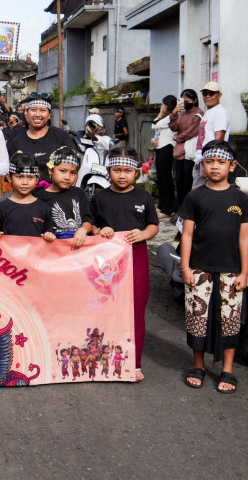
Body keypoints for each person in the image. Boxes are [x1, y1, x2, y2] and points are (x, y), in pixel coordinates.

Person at [178, 140, 248, 394]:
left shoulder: (240, 198)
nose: (214, 166)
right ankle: (198, 365)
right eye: (209, 161)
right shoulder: (194, 196)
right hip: (199, 269)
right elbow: (187, 234)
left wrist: (244, 272)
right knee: (197, 319)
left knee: (230, 321)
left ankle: (227, 369)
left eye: (221, 162)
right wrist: (185, 268)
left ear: (231, 166)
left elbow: (244, 238)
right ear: (202, 165)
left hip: (231, 270)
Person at [89, 147, 159, 383]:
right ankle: (101, 358)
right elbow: (91, 225)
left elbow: (153, 225)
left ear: (136, 172)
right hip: (106, 260)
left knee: (135, 308)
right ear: (108, 170)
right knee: (105, 305)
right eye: (116, 170)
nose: (122, 175)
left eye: (127, 171)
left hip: (136, 255)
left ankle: (133, 362)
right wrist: (100, 230)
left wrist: (144, 234)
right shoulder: (99, 198)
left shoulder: (143, 198)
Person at [6, 93, 79, 185]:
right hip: (26, 192)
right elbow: (10, 171)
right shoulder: (17, 141)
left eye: (43, 110)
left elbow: (74, 168)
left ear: (49, 115)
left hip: (57, 191)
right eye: (33, 110)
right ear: (26, 113)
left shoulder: (61, 137)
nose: (37, 114)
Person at [37, 147, 93, 249]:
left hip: (79, 248)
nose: (67, 177)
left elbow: (88, 220)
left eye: (73, 173)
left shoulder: (78, 193)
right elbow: (38, 227)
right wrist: (47, 234)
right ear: (50, 170)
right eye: (63, 171)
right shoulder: (40, 198)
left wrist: (83, 230)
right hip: (54, 250)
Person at [0, 153, 49, 238]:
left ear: (37, 178)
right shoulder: (1, 208)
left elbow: (49, 233)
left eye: (30, 177)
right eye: (19, 177)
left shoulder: (44, 208)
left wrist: (49, 235)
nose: (25, 182)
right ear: (9, 177)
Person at [192, 82, 231, 189]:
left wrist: (209, 163)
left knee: (207, 193)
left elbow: (218, 140)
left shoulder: (220, 112)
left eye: (211, 93)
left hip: (209, 160)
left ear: (219, 95)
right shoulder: (209, 112)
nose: (208, 96)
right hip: (201, 159)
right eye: (205, 94)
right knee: (197, 194)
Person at [169, 89, 203, 210]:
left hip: (190, 154)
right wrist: (174, 114)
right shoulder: (182, 114)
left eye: (186, 100)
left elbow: (191, 132)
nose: (184, 102)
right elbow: (174, 127)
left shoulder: (198, 114)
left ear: (194, 101)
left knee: (187, 183)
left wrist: (178, 137)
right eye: (182, 100)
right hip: (179, 152)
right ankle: (180, 210)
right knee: (179, 184)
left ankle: (187, 210)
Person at [151, 95, 177, 218]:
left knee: (166, 178)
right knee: (160, 178)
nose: (161, 106)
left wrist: (160, 114)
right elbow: (156, 127)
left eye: (163, 104)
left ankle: (169, 209)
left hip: (168, 147)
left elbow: (154, 125)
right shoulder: (167, 118)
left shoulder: (172, 117)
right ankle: (162, 205)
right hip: (161, 147)